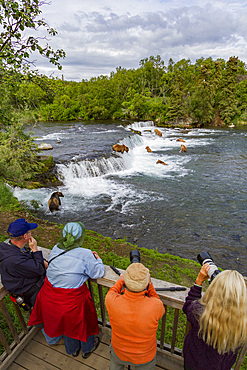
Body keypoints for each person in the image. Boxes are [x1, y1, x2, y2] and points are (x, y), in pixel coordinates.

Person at [28, 221, 105, 359]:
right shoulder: (85, 253)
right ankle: (87, 349)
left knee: (66, 324)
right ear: (80, 237)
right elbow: (97, 273)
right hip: (72, 300)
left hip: (51, 298)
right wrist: (98, 260)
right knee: (84, 322)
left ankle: (72, 349)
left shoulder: (56, 248)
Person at [182, 264, 247, 370]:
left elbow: (188, 305)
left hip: (193, 364)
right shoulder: (243, 322)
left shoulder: (200, 313)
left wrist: (199, 281)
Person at [105, 262, 165, 370]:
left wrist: (121, 280)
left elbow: (112, 291)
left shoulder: (111, 300)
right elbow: (156, 299)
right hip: (145, 356)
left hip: (119, 352)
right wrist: (150, 284)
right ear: (145, 283)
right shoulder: (155, 306)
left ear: (126, 282)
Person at [0, 218, 47, 308]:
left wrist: (42, 261)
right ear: (25, 236)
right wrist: (35, 249)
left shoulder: (7, 246)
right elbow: (39, 270)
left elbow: (27, 257)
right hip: (33, 292)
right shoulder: (15, 260)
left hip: (26, 282)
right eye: (30, 232)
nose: (31, 234)